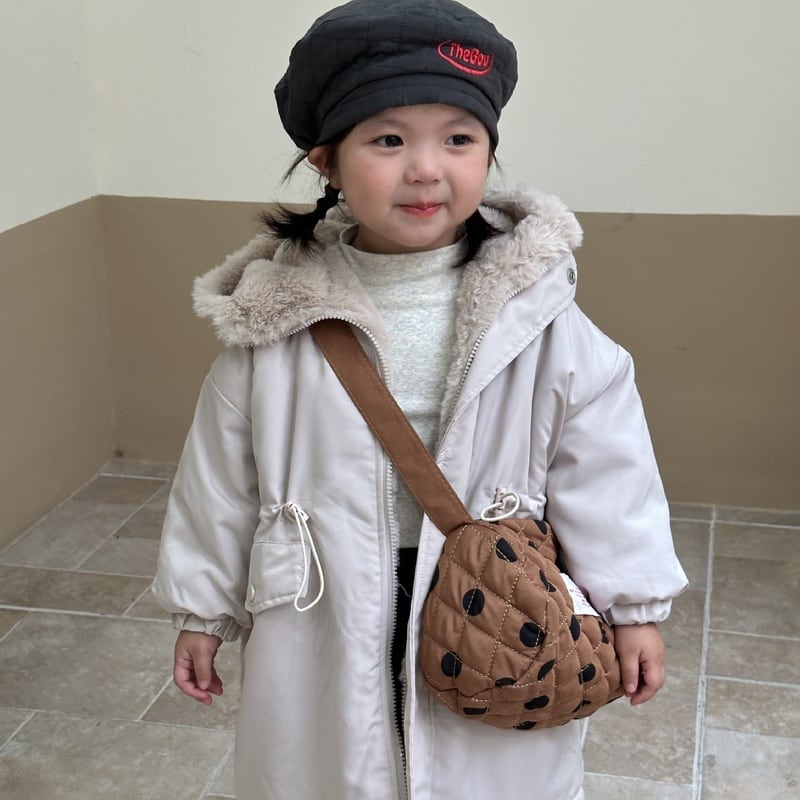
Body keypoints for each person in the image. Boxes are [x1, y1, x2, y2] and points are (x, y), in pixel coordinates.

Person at [152, 1, 688, 798]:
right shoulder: (275, 323)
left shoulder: (538, 314)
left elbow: (608, 471)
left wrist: (634, 605)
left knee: (483, 772)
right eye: (389, 140)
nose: (427, 169)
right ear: (328, 162)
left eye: (458, 139)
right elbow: (220, 482)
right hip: (325, 598)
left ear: (489, 153)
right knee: (333, 765)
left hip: (494, 604)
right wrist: (203, 613)